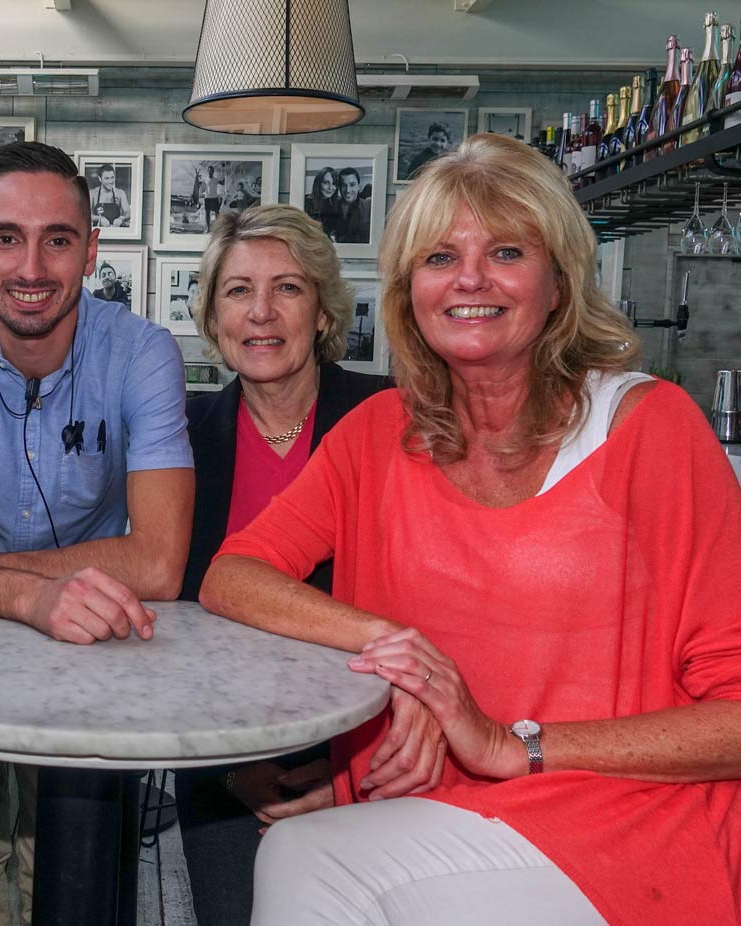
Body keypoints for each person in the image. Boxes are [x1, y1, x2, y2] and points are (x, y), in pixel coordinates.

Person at [201, 133, 741, 925]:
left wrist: (513, 745)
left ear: (559, 282)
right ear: (408, 290)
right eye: (439, 258)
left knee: (305, 860)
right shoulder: (377, 432)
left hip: (618, 828)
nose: (471, 280)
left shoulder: (648, 429)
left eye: (508, 251)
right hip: (426, 818)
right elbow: (233, 575)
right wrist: (403, 652)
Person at [0, 140, 193, 926]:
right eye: (6, 237)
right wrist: (18, 594)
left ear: (91, 250)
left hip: (82, 627)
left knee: (69, 839)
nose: (31, 267)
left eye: (58, 239)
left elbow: (158, 561)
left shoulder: (144, 352)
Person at [174, 204, 390, 924]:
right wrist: (236, 767)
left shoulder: (388, 416)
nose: (261, 313)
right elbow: (174, 614)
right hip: (219, 750)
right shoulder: (183, 434)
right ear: (213, 316)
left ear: (325, 313)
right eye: (237, 291)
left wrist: (353, 770)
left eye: (288, 289)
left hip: (367, 745)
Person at [334, 167, 370, 244]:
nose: (348, 190)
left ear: (359, 187)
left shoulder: (369, 208)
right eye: (344, 185)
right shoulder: (331, 207)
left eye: (352, 185)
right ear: (339, 188)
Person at [90, 163, 131, 228]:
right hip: (98, 233)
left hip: (115, 232)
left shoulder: (120, 193)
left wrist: (121, 218)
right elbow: (85, 215)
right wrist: (99, 218)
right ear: (100, 178)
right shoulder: (92, 194)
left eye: (112, 178)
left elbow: (127, 213)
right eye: (107, 178)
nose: (110, 181)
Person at [304, 168, 341, 239]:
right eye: (326, 183)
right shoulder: (306, 202)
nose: (330, 187)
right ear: (318, 183)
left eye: (334, 184)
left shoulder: (334, 204)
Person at [201, 164, 224, 230]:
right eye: (209, 171)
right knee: (207, 213)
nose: (210, 172)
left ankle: (218, 227)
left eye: (212, 171)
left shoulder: (216, 179)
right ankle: (208, 228)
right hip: (207, 198)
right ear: (208, 171)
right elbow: (202, 189)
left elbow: (222, 183)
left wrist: (224, 178)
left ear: (213, 172)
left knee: (217, 212)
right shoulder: (204, 180)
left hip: (214, 198)